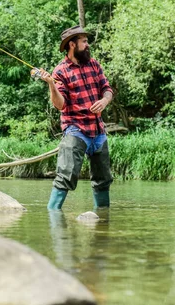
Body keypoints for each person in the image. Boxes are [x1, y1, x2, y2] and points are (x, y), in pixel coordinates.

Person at [39, 25, 114, 210]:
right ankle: (53, 218)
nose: (87, 45)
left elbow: (107, 89)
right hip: (75, 130)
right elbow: (60, 105)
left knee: (103, 180)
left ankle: (103, 222)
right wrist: (50, 84)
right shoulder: (60, 72)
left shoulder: (94, 64)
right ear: (72, 44)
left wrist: (104, 101)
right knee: (65, 176)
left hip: (98, 130)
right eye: (84, 41)